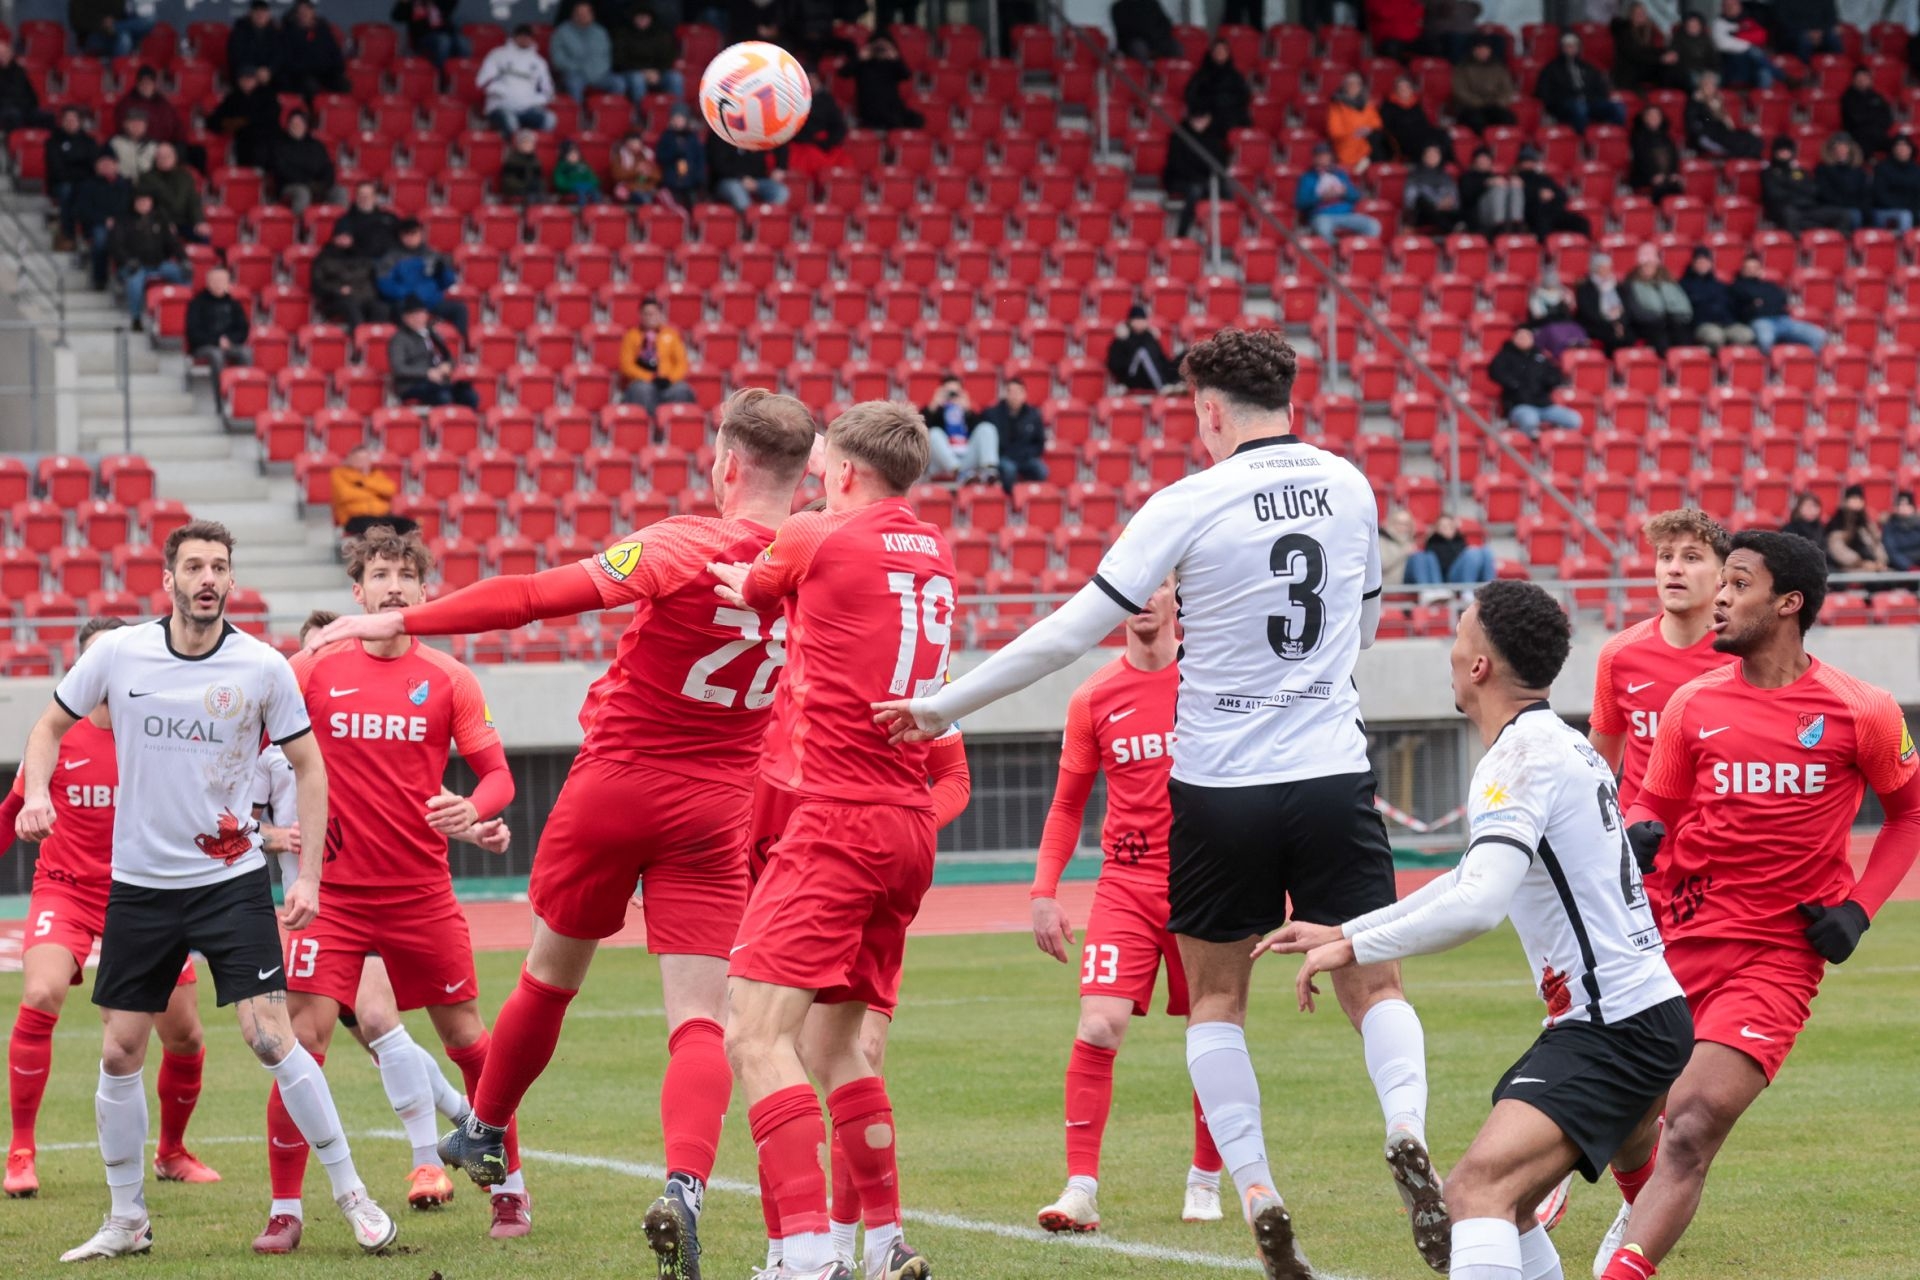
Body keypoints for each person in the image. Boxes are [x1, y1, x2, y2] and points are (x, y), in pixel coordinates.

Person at [874, 329, 1445, 1277]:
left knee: (1216, 999)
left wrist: (941, 705)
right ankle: (1407, 1127)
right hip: (1332, 772)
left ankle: (1255, 1189)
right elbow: (1366, 627)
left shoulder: (1189, 499)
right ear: (1290, 401)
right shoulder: (1350, 485)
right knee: (1375, 983)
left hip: (1220, 788)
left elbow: (1071, 633)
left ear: (1210, 411)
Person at [315, 390, 818, 1278]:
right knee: (700, 1021)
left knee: (549, 980)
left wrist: (397, 618)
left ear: (727, 463)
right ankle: (685, 1186)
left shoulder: (683, 543)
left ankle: (484, 1126)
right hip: (718, 806)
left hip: (618, 785)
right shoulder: (820, 560)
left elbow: (529, 598)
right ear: (807, 472)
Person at [1264, 578, 1692, 1280]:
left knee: (1474, 1193)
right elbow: (1470, 879)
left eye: (1460, 633)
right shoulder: (1560, 743)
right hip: (1632, 1014)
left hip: (1615, 1024)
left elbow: (1479, 905)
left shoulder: (1520, 758)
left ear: (1480, 665)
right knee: (1508, 1203)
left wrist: (1355, 945)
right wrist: (1347, 930)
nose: (1451, 649)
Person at [14, 521, 398, 1261]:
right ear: (169, 580)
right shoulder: (120, 652)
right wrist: (35, 794)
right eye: (193, 566)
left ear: (231, 580)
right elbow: (46, 728)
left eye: (219, 566)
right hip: (140, 887)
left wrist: (309, 875)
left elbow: (309, 767)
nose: (208, 578)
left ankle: (353, 1195)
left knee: (271, 1038)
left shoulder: (261, 666)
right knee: (120, 1052)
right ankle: (127, 1219)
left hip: (229, 880)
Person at [1598, 531, 1920, 1280]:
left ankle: (1625, 1269)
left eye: (1738, 584)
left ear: (1788, 603)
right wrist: (1640, 827)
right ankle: (1636, 1203)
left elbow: (1909, 814)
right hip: (1676, 937)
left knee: (1692, 1123)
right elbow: (1653, 800)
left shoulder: (1864, 709)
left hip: (1777, 956)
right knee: (1625, 1119)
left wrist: (1860, 910)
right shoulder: (1691, 703)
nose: (1719, 596)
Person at [706, 401, 951, 1280]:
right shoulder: (934, 548)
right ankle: (882, 1241)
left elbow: (751, 587)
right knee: (836, 1046)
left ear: (843, 470)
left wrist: (728, 565)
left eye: (824, 463)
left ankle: (808, 1256)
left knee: (754, 1035)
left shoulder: (816, 532)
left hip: (836, 817)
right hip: (908, 820)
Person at [261, 530, 523, 1253]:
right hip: (332, 895)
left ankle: (509, 1190)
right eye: (380, 575)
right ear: (358, 591)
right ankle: (285, 1209)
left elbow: (498, 776)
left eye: (408, 576)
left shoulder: (449, 677)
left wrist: (474, 809)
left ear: (425, 592)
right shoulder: (313, 668)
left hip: (420, 893)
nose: (395, 587)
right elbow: (248, 741)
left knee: (468, 1039)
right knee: (301, 1044)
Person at [1029, 580, 1228, 1234]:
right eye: (1135, 585)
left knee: (1212, 1031)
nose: (1145, 597)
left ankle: (1205, 1179)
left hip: (1208, 885)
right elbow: (1066, 806)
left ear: (1178, 598)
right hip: (1126, 885)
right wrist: (1043, 892)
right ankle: (1080, 1188)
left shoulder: (1214, 682)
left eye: (1158, 584)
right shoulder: (1093, 696)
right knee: (1098, 1026)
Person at [1, 618, 221, 1200]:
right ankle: (21, 1151)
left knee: (185, 1037)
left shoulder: (161, 732)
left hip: (146, 895)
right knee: (41, 993)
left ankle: (171, 1152)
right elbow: (9, 814)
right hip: (67, 890)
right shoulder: (54, 736)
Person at [1589, 510, 1734, 820]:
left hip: (1718, 842)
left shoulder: (1746, 657)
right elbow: (1599, 766)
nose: (1674, 569)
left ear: (1722, 575)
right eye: (1666, 557)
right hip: (1640, 840)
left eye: (1691, 557)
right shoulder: (1619, 654)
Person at [377, 219, 469, 339]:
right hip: (406, 302)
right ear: (401, 236)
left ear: (421, 234)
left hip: (431, 301)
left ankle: (461, 345)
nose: (410, 237)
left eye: (414, 233)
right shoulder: (391, 257)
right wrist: (408, 293)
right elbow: (384, 285)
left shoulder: (433, 254)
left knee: (460, 309)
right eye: (407, 234)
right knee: (400, 311)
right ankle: (409, 346)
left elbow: (448, 282)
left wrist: (443, 272)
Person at [109, 189, 186, 329]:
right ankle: (136, 319)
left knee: (183, 273)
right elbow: (116, 246)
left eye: (146, 201)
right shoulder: (122, 220)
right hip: (135, 265)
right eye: (140, 201)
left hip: (158, 263)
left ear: (151, 203)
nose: (143, 204)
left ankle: (184, 313)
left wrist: (184, 260)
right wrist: (127, 261)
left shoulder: (160, 219)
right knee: (134, 282)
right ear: (134, 203)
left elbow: (173, 242)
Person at [1488, 327, 1580, 438]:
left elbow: (1555, 375)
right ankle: (1528, 444)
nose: (1524, 340)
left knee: (1573, 419)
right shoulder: (1504, 356)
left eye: (1527, 337)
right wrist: (1514, 385)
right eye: (1520, 337)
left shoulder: (1540, 357)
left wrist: (1549, 382)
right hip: (1519, 404)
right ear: (1514, 338)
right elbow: (1495, 372)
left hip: (1544, 405)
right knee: (1530, 421)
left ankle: (1555, 442)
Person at [389, 298, 478, 409]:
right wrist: (427, 373)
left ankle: (463, 420)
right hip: (413, 384)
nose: (418, 318)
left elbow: (448, 356)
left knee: (469, 395)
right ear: (405, 318)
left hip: (439, 381)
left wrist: (448, 365)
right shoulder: (399, 339)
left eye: (421, 314)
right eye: (414, 315)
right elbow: (399, 369)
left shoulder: (431, 333)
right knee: (442, 396)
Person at [1730, 253, 1827, 354]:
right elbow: (1742, 308)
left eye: (1755, 267)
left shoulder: (1770, 286)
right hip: (1760, 321)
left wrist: (1760, 303)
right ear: (1743, 270)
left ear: (1760, 269)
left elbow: (1781, 299)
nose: (1752, 270)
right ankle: (1770, 363)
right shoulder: (1737, 287)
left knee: (1818, 335)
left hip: (1782, 319)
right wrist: (1757, 305)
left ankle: (1805, 362)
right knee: (1765, 341)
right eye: (1748, 268)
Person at [618, 297, 696, 413]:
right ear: (640, 316)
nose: (650, 317)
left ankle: (674, 423)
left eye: (653, 313)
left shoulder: (671, 335)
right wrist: (649, 377)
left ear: (660, 314)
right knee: (642, 390)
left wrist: (670, 379)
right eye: (646, 314)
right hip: (643, 382)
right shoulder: (631, 336)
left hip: (668, 383)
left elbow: (682, 363)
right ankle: (648, 423)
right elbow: (626, 365)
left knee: (682, 390)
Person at [1536, 32, 1625, 134]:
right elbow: (1544, 93)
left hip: (1589, 101)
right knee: (1579, 108)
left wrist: (1599, 97)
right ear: (1562, 48)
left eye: (1574, 45)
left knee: (1617, 107)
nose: (1571, 48)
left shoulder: (1588, 67)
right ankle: (1581, 138)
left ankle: (1613, 136)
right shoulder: (1551, 69)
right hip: (1565, 104)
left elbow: (1601, 87)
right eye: (1568, 45)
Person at [1761, 135, 1851, 234]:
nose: (1785, 153)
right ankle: (1797, 242)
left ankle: (1838, 241)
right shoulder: (1769, 173)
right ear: (1775, 153)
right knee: (1790, 215)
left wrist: (1790, 187)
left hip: (1808, 208)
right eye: (1781, 151)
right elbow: (1775, 194)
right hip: (1787, 210)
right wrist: (1797, 188)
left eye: (1787, 150)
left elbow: (1812, 189)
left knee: (1843, 215)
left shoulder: (1800, 171)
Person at [478, 24, 557, 136]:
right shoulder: (498, 55)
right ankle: (512, 146)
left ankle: (536, 147)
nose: (525, 39)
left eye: (528, 36)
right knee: (511, 122)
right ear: (514, 37)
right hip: (501, 106)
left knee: (549, 119)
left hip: (527, 109)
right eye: (521, 35)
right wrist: (502, 92)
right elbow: (482, 82)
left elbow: (548, 91)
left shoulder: (539, 62)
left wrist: (531, 100)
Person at [70, 151, 132, 289]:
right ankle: (100, 279)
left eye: (109, 163)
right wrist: (104, 220)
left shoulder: (126, 185)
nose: (106, 166)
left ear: (116, 165)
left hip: (123, 223)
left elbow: (131, 208)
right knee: (100, 240)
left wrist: (118, 221)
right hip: (98, 224)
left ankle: (125, 275)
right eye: (102, 164)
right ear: (96, 167)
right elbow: (82, 210)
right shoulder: (88, 185)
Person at [1295, 142, 1380, 240]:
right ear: (1314, 158)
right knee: (1323, 228)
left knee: (1372, 225)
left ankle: (1358, 248)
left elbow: (1356, 196)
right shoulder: (1307, 177)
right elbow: (1301, 203)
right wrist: (1321, 197)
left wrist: (1344, 192)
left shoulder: (1340, 174)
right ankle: (1335, 248)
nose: (1322, 158)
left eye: (1325, 155)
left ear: (1330, 157)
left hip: (1346, 214)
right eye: (1319, 156)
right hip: (1322, 215)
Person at [1164, 112, 1228, 238]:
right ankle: (1182, 234)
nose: (1200, 121)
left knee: (1226, 190)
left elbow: (1220, 163)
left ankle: (1224, 235)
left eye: (1203, 118)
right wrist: (1198, 178)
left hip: (1205, 180)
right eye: (1197, 118)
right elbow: (1176, 164)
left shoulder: (1213, 138)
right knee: (1195, 190)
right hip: (1180, 180)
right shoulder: (1180, 136)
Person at [921, 376, 996, 482]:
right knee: (934, 433)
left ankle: (988, 470)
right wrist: (933, 405)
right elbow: (921, 429)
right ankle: (959, 473)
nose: (952, 396)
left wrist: (968, 410)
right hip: (943, 461)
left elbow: (980, 431)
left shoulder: (967, 412)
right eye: (949, 393)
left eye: (955, 393)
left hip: (966, 457)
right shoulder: (936, 411)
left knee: (987, 428)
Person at [840, 35, 923, 132]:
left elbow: (906, 75)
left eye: (883, 48)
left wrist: (896, 58)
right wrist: (859, 57)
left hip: (891, 109)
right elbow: (844, 73)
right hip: (869, 109)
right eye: (877, 48)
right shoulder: (863, 64)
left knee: (916, 119)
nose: (880, 51)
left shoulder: (891, 64)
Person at [48, 107, 104, 248]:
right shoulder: (53, 141)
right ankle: (68, 234)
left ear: (80, 122)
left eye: (73, 120)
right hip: (62, 182)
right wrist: (79, 171)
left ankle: (88, 235)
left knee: (88, 191)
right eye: (67, 120)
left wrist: (78, 172)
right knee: (67, 191)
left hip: (84, 182)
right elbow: (56, 168)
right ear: (62, 122)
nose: (70, 123)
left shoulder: (89, 142)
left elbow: (93, 165)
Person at [209, 64, 284, 169]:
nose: (247, 81)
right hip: (244, 144)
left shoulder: (267, 95)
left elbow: (270, 118)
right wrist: (235, 123)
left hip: (267, 142)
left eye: (250, 78)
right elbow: (214, 121)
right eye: (243, 78)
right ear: (238, 80)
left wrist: (245, 121)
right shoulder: (233, 98)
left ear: (256, 80)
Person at [1678, 248, 1754, 351]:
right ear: (1693, 264)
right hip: (1703, 324)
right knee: (1715, 337)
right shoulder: (1684, 285)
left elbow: (1732, 305)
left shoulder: (1720, 285)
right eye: (1699, 262)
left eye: (1705, 262)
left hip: (1726, 323)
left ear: (1711, 264)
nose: (1702, 265)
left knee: (1746, 335)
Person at [185, 265, 253, 379]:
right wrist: (216, 341)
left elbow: (243, 329)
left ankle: (241, 385)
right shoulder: (197, 303)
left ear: (228, 283)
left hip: (230, 344)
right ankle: (221, 388)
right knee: (216, 354)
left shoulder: (234, 304)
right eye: (215, 280)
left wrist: (230, 340)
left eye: (222, 281)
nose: (218, 284)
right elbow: (193, 332)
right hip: (204, 346)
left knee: (246, 352)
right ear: (208, 282)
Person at [1624, 246, 1694, 353]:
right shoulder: (1631, 285)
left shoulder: (1668, 284)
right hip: (1647, 325)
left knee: (1682, 334)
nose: (1648, 269)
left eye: (1651, 265)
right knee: (1661, 338)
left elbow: (1684, 307)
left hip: (1671, 322)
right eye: (1645, 265)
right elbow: (1636, 312)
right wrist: (1659, 317)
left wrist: (1672, 316)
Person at [312, 230, 388, 329]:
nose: (343, 240)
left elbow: (372, 281)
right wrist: (338, 290)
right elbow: (317, 284)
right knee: (351, 308)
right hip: (337, 299)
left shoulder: (362, 256)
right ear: (334, 239)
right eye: (340, 237)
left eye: (346, 237)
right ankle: (358, 336)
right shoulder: (324, 258)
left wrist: (366, 293)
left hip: (364, 296)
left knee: (381, 308)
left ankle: (374, 337)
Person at [982, 378, 1048, 490]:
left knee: (1041, 470)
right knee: (1009, 470)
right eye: (1010, 392)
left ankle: (1031, 495)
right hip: (1003, 456)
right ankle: (1010, 497)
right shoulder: (993, 414)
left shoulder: (1033, 415)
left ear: (1024, 395)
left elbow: (1039, 443)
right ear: (1005, 394)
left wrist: (1027, 453)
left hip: (1025, 457)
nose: (1014, 396)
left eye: (1018, 392)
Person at [268, 110, 339, 214]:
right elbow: (282, 170)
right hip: (291, 185)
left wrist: (325, 183)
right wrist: (307, 182)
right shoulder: (279, 145)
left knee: (339, 192)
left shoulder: (317, 145)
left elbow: (327, 167)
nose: (296, 126)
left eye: (300, 123)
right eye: (293, 123)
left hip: (317, 185)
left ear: (306, 126)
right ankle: (300, 223)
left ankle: (338, 222)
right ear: (288, 125)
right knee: (302, 192)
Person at [782, 71, 847, 184]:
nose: (811, 82)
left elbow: (838, 127)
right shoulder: (794, 100)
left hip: (824, 145)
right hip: (801, 144)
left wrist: (828, 142)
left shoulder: (827, 100)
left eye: (813, 79)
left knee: (841, 160)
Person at [137, 142, 208, 243]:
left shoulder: (185, 176)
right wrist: (165, 223)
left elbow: (193, 201)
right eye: (161, 157)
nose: (164, 160)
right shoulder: (147, 179)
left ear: (175, 157)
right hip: (158, 222)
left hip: (184, 221)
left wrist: (199, 222)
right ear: (155, 159)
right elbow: (147, 207)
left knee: (203, 235)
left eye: (168, 156)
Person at [610, 5, 684, 102]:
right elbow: (619, 60)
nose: (642, 19)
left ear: (651, 18)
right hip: (632, 72)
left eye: (645, 16)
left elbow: (668, 57)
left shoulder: (661, 34)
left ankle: (678, 110)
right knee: (637, 79)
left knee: (675, 78)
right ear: (633, 18)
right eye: (639, 16)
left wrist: (658, 72)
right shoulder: (623, 34)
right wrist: (643, 72)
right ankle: (640, 110)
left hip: (657, 73)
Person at [1516, 145, 1591, 239]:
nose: (1528, 164)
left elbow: (1562, 195)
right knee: (1542, 226)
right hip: (1535, 215)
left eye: (1531, 161)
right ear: (1520, 163)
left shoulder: (1543, 178)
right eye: (1525, 161)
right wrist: (1538, 195)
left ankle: (1581, 246)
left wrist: (1552, 195)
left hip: (1554, 212)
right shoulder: (1517, 179)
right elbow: (1521, 199)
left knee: (1582, 222)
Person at [1683, 71, 1761, 159]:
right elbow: (1695, 126)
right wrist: (1705, 108)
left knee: (1753, 139)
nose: (1710, 88)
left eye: (1713, 85)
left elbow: (1728, 125)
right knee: (1741, 145)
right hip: (1710, 136)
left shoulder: (1717, 101)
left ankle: (1754, 163)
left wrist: (1720, 112)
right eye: (1707, 85)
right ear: (1701, 87)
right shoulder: (1696, 103)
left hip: (1723, 133)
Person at [550, 2, 619, 100]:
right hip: (575, 74)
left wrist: (599, 71)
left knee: (618, 83)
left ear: (592, 15)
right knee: (574, 84)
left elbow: (607, 57)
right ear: (573, 15)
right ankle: (577, 110)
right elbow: (558, 60)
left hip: (600, 74)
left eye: (586, 14)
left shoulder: (600, 32)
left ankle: (610, 109)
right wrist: (579, 68)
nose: (583, 17)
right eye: (580, 14)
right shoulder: (562, 32)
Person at [1612, 2, 1688, 91]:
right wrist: (1661, 58)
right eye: (1637, 13)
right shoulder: (1624, 31)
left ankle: (1677, 93)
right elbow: (1636, 54)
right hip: (1629, 69)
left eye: (1643, 13)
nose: (1640, 15)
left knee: (1672, 67)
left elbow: (1651, 50)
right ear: (1631, 15)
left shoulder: (1648, 30)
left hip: (1644, 66)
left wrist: (1667, 54)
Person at [1406, 512, 1496, 586]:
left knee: (1486, 551)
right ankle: (1467, 591)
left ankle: (1490, 587)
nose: (1447, 527)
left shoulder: (1460, 540)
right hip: (1448, 577)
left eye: (1450, 524)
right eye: (1443, 525)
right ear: (1437, 528)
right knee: (1472, 553)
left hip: (1464, 571)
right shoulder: (1433, 542)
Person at [1107, 305, 1182, 393]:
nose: (1140, 322)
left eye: (1142, 319)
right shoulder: (1123, 338)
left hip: (1151, 377)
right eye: (1137, 319)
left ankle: (1176, 385)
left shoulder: (1149, 337)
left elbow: (1161, 360)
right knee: (1142, 353)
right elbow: (1114, 364)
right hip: (1132, 377)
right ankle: (1163, 387)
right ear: (1130, 321)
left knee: (1185, 355)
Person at [1450, 37, 1518, 133]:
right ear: (1473, 50)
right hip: (1470, 106)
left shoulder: (1499, 68)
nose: (1483, 52)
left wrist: (1498, 102)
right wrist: (1478, 103)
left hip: (1495, 105)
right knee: (1476, 121)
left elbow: (1507, 89)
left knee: (1508, 119)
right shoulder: (1462, 68)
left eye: (1486, 49)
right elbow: (1460, 91)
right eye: (1480, 49)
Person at [709, 132, 789, 213]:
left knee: (781, 191)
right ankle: (750, 218)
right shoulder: (720, 133)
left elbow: (780, 139)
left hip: (758, 180)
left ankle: (766, 217)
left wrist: (780, 166)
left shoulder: (755, 130)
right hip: (729, 180)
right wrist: (742, 177)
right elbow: (719, 165)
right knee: (737, 191)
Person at [329, 444, 400, 535]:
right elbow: (345, 495)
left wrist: (365, 482)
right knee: (375, 528)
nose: (363, 461)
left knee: (407, 525)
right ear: (350, 459)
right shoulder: (339, 473)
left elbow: (390, 490)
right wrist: (375, 494)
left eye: (366, 458)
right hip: (354, 518)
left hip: (381, 516)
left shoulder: (376, 473)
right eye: (359, 458)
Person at [280, 0, 347, 97]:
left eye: (307, 10)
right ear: (296, 14)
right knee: (310, 86)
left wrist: (338, 68)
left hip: (325, 72)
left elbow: (335, 52)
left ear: (313, 12)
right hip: (302, 74)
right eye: (301, 11)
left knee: (343, 84)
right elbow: (288, 60)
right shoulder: (289, 32)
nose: (304, 13)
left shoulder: (323, 30)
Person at [1184, 40, 1251, 135]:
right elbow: (1191, 95)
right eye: (1217, 50)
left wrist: (1223, 102)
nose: (1220, 53)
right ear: (1212, 53)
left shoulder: (1236, 76)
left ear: (1228, 54)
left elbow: (1243, 97)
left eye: (1223, 50)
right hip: (1207, 116)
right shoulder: (1201, 75)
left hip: (1231, 117)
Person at [112, 66, 185, 151]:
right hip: (137, 146)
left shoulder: (164, 104)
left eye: (149, 83)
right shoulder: (127, 103)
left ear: (155, 84)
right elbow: (124, 129)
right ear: (137, 84)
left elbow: (176, 127)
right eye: (143, 83)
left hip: (162, 147)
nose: (146, 86)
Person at [1711, 0, 1779, 89]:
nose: (1731, 7)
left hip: (1753, 63)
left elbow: (1761, 36)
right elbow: (1721, 44)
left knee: (1764, 71)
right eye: (1727, 5)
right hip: (1731, 63)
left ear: (1740, 6)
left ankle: (1774, 85)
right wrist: (1747, 45)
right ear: (1723, 8)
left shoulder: (1748, 20)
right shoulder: (1718, 23)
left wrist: (1737, 36)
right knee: (1754, 53)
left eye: (1734, 4)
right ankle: (1781, 76)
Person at [1824, 483, 1889, 574]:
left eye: (1860, 499)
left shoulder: (1866, 523)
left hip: (1873, 565)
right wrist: (1861, 563)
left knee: (1891, 576)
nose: (1857, 502)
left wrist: (1880, 561)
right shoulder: (1837, 522)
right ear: (1846, 501)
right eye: (1854, 498)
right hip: (1848, 568)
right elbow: (1838, 550)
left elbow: (1876, 543)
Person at [1812, 133, 1871, 232]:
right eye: (1837, 148)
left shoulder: (1859, 171)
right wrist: (1850, 204)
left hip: (1855, 207)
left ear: (1850, 150)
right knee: (1854, 215)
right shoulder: (1823, 169)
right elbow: (1825, 194)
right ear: (1831, 151)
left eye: (1844, 148)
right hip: (1833, 208)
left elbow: (1865, 194)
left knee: (1867, 214)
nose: (1841, 151)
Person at [1327, 71, 1385, 172]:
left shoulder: (1366, 103)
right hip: (1347, 143)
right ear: (1344, 86)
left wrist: (1368, 129)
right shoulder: (1336, 105)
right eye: (1350, 83)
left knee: (1379, 140)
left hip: (1366, 142)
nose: (1353, 86)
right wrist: (1355, 132)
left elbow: (1377, 123)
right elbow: (1334, 131)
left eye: (1357, 84)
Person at [1381, 75, 1446, 165]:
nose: (1404, 90)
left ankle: (1445, 163)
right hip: (1402, 138)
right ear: (1396, 90)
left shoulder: (1416, 104)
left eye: (1406, 87)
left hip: (1421, 135)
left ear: (1411, 89)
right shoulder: (1388, 105)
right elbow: (1387, 127)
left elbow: (1424, 123)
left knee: (1442, 135)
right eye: (1400, 87)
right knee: (1424, 142)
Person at [1528, 265, 1590, 358]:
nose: (1552, 282)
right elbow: (1538, 316)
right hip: (1546, 324)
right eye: (1549, 280)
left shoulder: (1564, 293)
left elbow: (1571, 308)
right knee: (1554, 331)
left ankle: (1580, 344)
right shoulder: (1537, 295)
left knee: (1576, 327)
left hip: (1564, 323)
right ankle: (1564, 347)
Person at [1461, 147, 1524, 237]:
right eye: (1481, 159)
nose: (1483, 162)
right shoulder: (1468, 177)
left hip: (1506, 216)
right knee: (1498, 189)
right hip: (1479, 216)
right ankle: (1499, 226)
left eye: (1486, 159)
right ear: (1475, 161)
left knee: (1515, 186)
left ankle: (1516, 224)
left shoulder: (1495, 176)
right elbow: (1467, 197)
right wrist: (1486, 183)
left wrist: (1513, 183)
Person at [1577, 255, 1633, 354]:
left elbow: (1627, 307)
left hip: (1619, 322)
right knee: (1613, 337)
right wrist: (1612, 325)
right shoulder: (1585, 288)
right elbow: (1588, 312)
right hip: (1597, 324)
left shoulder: (1618, 286)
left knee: (1630, 336)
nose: (1607, 271)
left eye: (1608, 267)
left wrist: (1620, 323)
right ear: (1595, 269)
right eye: (1603, 268)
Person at [656, 103, 709, 207]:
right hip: (672, 181)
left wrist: (700, 178)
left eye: (680, 118)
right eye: (675, 118)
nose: (678, 121)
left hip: (691, 181)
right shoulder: (666, 137)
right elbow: (661, 157)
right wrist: (675, 152)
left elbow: (699, 159)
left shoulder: (693, 138)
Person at [333, 181, 402, 261]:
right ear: (356, 197)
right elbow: (342, 242)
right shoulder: (345, 220)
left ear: (375, 197)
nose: (364, 198)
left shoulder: (390, 218)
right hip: (360, 262)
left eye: (368, 195)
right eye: (361, 194)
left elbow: (403, 238)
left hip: (389, 262)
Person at [1628, 108, 1684, 204]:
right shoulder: (1638, 138)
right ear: (1645, 118)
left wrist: (1673, 173)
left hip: (1666, 176)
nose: (1654, 118)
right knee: (1661, 187)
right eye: (1651, 116)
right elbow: (1640, 161)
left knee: (1676, 186)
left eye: (1657, 116)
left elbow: (1674, 158)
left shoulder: (1667, 138)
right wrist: (1652, 176)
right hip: (1645, 177)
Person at [1404, 144, 1464, 233]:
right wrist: (1436, 205)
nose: (1433, 157)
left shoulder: (1446, 177)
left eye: (1436, 155)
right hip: (1423, 214)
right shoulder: (1415, 175)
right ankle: (1451, 230)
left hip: (1444, 212)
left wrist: (1448, 202)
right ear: (1424, 157)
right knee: (1421, 201)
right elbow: (1410, 200)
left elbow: (1454, 197)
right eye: (1430, 154)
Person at [393, 0, 468, 69]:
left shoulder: (440, 3)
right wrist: (404, 3)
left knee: (463, 42)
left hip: (446, 33)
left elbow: (450, 5)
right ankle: (439, 74)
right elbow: (396, 16)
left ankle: (460, 73)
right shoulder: (414, 3)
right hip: (423, 37)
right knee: (444, 42)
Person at [1841, 66, 1894, 160]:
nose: (1862, 81)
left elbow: (1888, 118)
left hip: (1878, 133)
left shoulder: (1876, 96)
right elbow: (1856, 119)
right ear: (1853, 80)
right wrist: (1874, 117)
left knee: (1899, 144)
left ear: (1870, 80)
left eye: (1865, 78)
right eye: (1859, 78)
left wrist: (1871, 119)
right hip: (1858, 136)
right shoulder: (1848, 97)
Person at [71, 0, 155, 60]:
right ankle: (118, 72)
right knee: (125, 39)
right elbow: (77, 21)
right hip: (93, 35)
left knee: (148, 20)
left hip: (116, 30)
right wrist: (101, 23)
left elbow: (123, 14)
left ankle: (116, 28)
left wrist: (113, 23)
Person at [0, 39, 51, 137]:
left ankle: (44, 143)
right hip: (5, 108)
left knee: (47, 116)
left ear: (11, 54)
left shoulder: (19, 71)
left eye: (5, 53)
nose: (2, 56)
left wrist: (32, 105)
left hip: (24, 107)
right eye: (0, 54)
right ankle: (14, 143)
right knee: (13, 115)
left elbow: (30, 92)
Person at [1870, 135, 1920, 232]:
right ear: (1893, 149)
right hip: (1885, 210)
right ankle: (1905, 241)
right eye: (1898, 146)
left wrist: (1913, 208)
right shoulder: (1882, 168)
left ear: (1910, 150)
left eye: (1905, 146)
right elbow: (1880, 196)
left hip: (1911, 209)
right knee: (1905, 215)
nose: (1902, 149)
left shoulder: (1916, 170)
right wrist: (1905, 207)